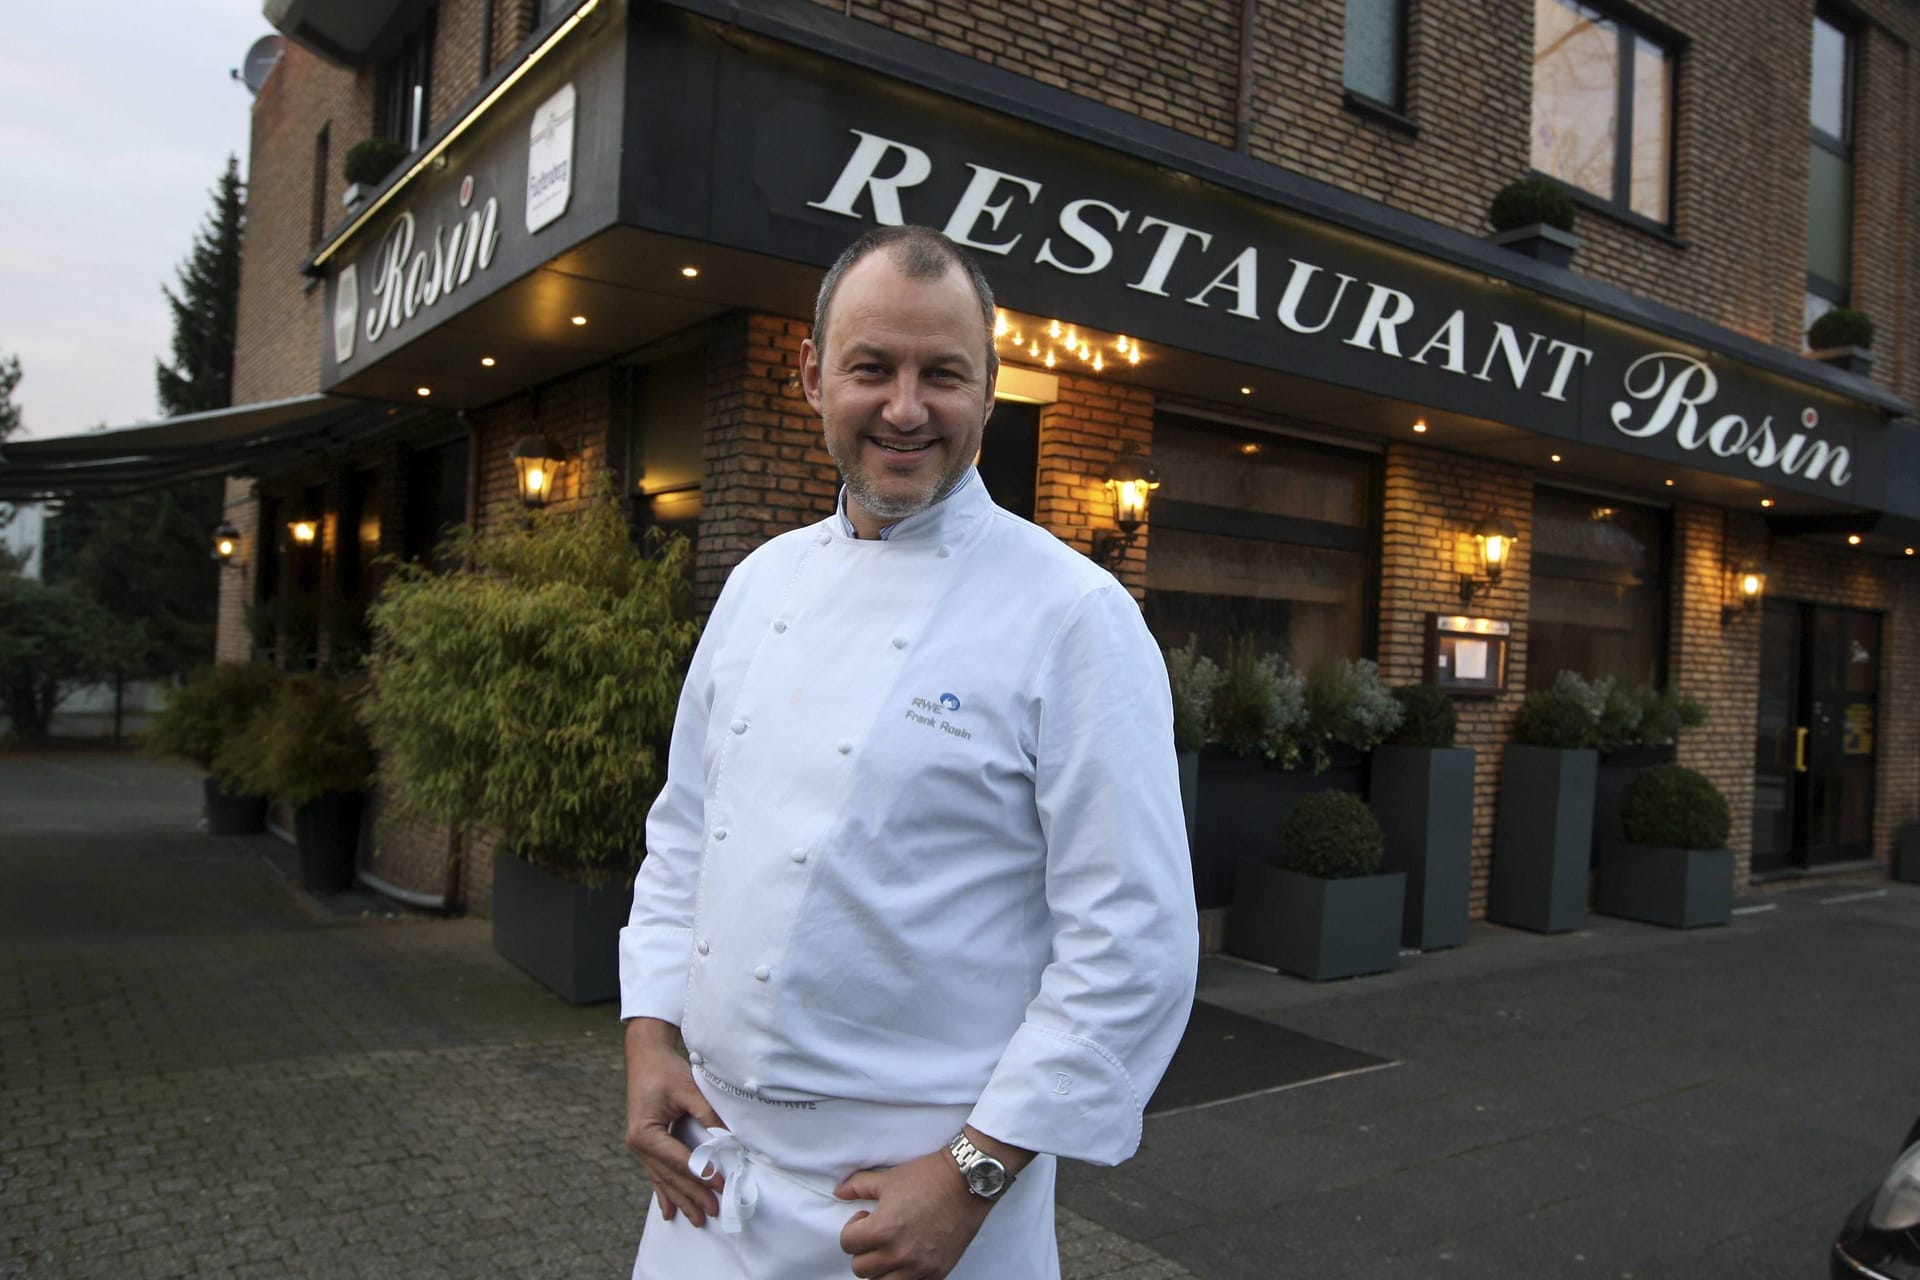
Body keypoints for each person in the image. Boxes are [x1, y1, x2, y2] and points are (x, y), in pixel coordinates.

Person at [619, 224, 1197, 1280]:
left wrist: (975, 1170)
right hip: (707, 1185)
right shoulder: (757, 585)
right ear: (811, 377)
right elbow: (687, 839)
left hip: (924, 1205)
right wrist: (650, 1036)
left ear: (988, 389)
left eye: (943, 373)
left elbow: (1132, 941)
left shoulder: (1072, 614)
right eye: (871, 367)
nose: (904, 406)